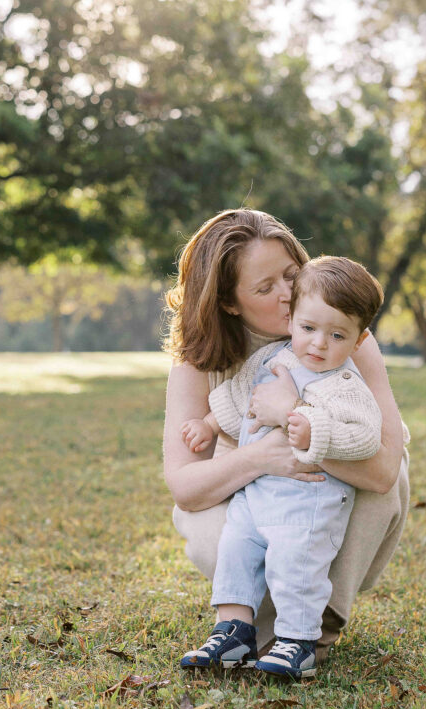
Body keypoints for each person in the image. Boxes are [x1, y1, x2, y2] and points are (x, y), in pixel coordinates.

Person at [163, 209, 410, 669]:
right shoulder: (199, 356)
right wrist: (261, 456)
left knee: (370, 490)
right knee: (216, 530)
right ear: (228, 302)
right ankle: (242, 627)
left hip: (336, 475)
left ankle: (317, 627)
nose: (287, 294)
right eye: (264, 288)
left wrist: (295, 422)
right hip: (252, 479)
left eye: (291, 276)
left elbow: (382, 471)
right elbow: (185, 487)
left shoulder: (342, 334)